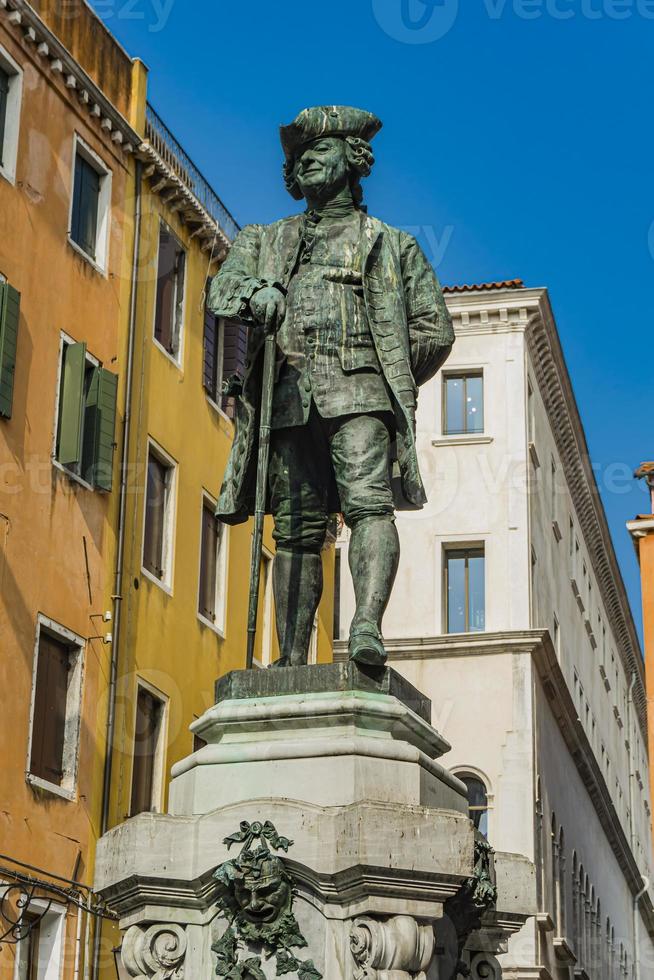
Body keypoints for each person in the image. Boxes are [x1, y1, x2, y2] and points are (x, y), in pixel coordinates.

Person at [208, 105, 454, 667]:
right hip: (287, 400)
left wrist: (383, 368)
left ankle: (365, 628)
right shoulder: (263, 240)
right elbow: (221, 289)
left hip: (361, 396)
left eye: (322, 145)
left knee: (370, 508)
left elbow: (434, 329)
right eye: (299, 154)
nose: (307, 157)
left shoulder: (393, 246)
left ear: (355, 158)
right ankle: (292, 657)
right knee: (294, 530)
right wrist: (254, 296)